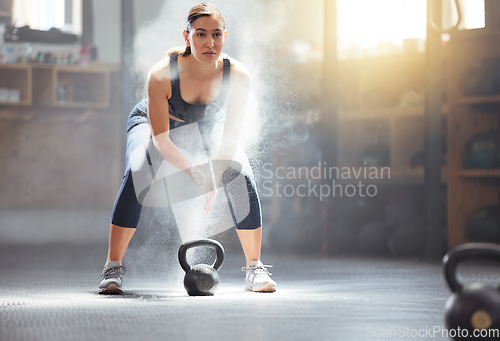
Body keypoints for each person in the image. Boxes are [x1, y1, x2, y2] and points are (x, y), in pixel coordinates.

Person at [98, 2, 276, 294]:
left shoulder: (237, 76)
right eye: (201, 34)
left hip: (207, 125)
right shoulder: (161, 75)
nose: (210, 43)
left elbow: (229, 140)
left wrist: (216, 176)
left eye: (216, 34)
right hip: (158, 125)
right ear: (186, 36)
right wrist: (197, 175)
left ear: (225, 37)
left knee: (241, 173)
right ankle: (112, 268)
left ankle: (254, 267)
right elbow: (162, 141)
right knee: (139, 169)